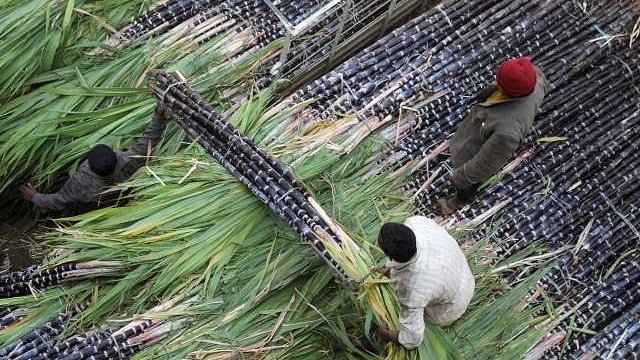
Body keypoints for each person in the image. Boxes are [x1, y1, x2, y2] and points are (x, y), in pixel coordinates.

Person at [435, 57, 549, 215]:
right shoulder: (532, 77)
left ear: (509, 92)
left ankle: (457, 202)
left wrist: (460, 177)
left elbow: (486, 163)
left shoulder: (507, 131)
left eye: (499, 80)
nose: (495, 78)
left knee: (468, 182)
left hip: (477, 151)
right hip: (486, 121)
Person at [19, 104, 168, 214]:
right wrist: (159, 116)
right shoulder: (129, 161)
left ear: (88, 164)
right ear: (115, 156)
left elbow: (59, 200)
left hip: (95, 209)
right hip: (121, 202)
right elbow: (149, 140)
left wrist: (34, 197)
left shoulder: (80, 182)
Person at [375, 215, 475, 350]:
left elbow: (412, 339)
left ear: (391, 256)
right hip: (460, 270)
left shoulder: (413, 289)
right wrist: (388, 270)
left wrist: (385, 334)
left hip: (455, 302)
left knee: (403, 312)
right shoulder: (416, 223)